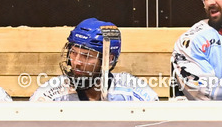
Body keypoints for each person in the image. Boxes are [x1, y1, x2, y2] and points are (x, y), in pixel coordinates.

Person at [30, 18, 158, 102]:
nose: (76, 62)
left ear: (109, 59)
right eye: (73, 53)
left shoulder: (134, 92)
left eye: (86, 56)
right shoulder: (51, 93)